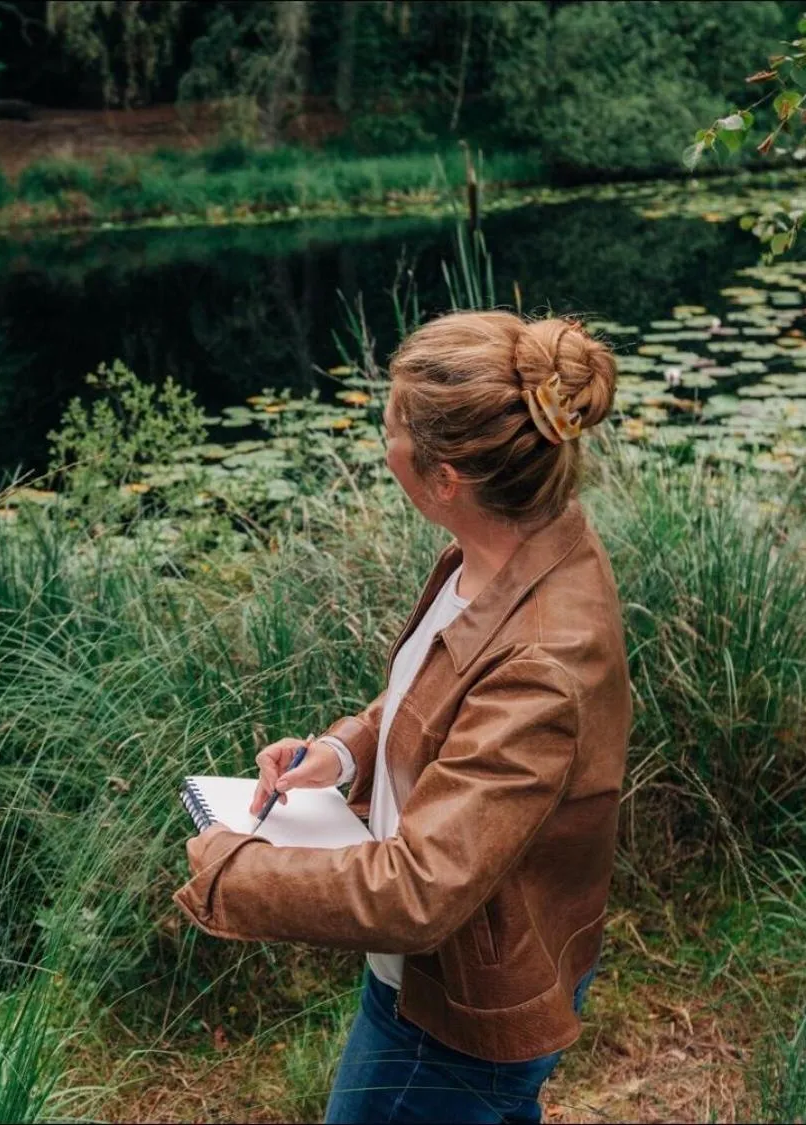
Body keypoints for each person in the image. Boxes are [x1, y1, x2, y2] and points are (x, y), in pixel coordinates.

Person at [172, 310, 631, 1124]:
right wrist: (346, 752)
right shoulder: (514, 546)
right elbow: (446, 692)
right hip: (453, 965)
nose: (381, 443)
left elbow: (417, 891)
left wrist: (232, 868)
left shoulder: (542, 655)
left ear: (442, 475)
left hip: (455, 1014)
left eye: (387, 427)